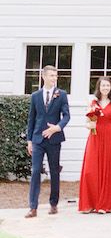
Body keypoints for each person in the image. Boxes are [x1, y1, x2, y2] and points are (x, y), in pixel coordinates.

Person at [25, 65, 71, 218]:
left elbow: (66, 116)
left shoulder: (61, 94)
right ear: (43, 77)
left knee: (54, 171)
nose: (54, 78)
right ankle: (33, 207)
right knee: (36, 171)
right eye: (51, 75)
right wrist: (29, 140)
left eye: (55, 76)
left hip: (54, 139)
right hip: (38, 139)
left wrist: (57, 128)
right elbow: (31, 119)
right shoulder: (35, 96)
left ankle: (53, 204)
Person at [79, 77, 111, 213]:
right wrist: (89, 125)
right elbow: (87, 121)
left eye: (108, 85)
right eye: (103, 85)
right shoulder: (92, 102)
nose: (105, 88)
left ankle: (105, 204)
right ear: (98, 87)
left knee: (109, 169)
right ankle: (91, 203)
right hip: (95, 137)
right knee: (91, 169)